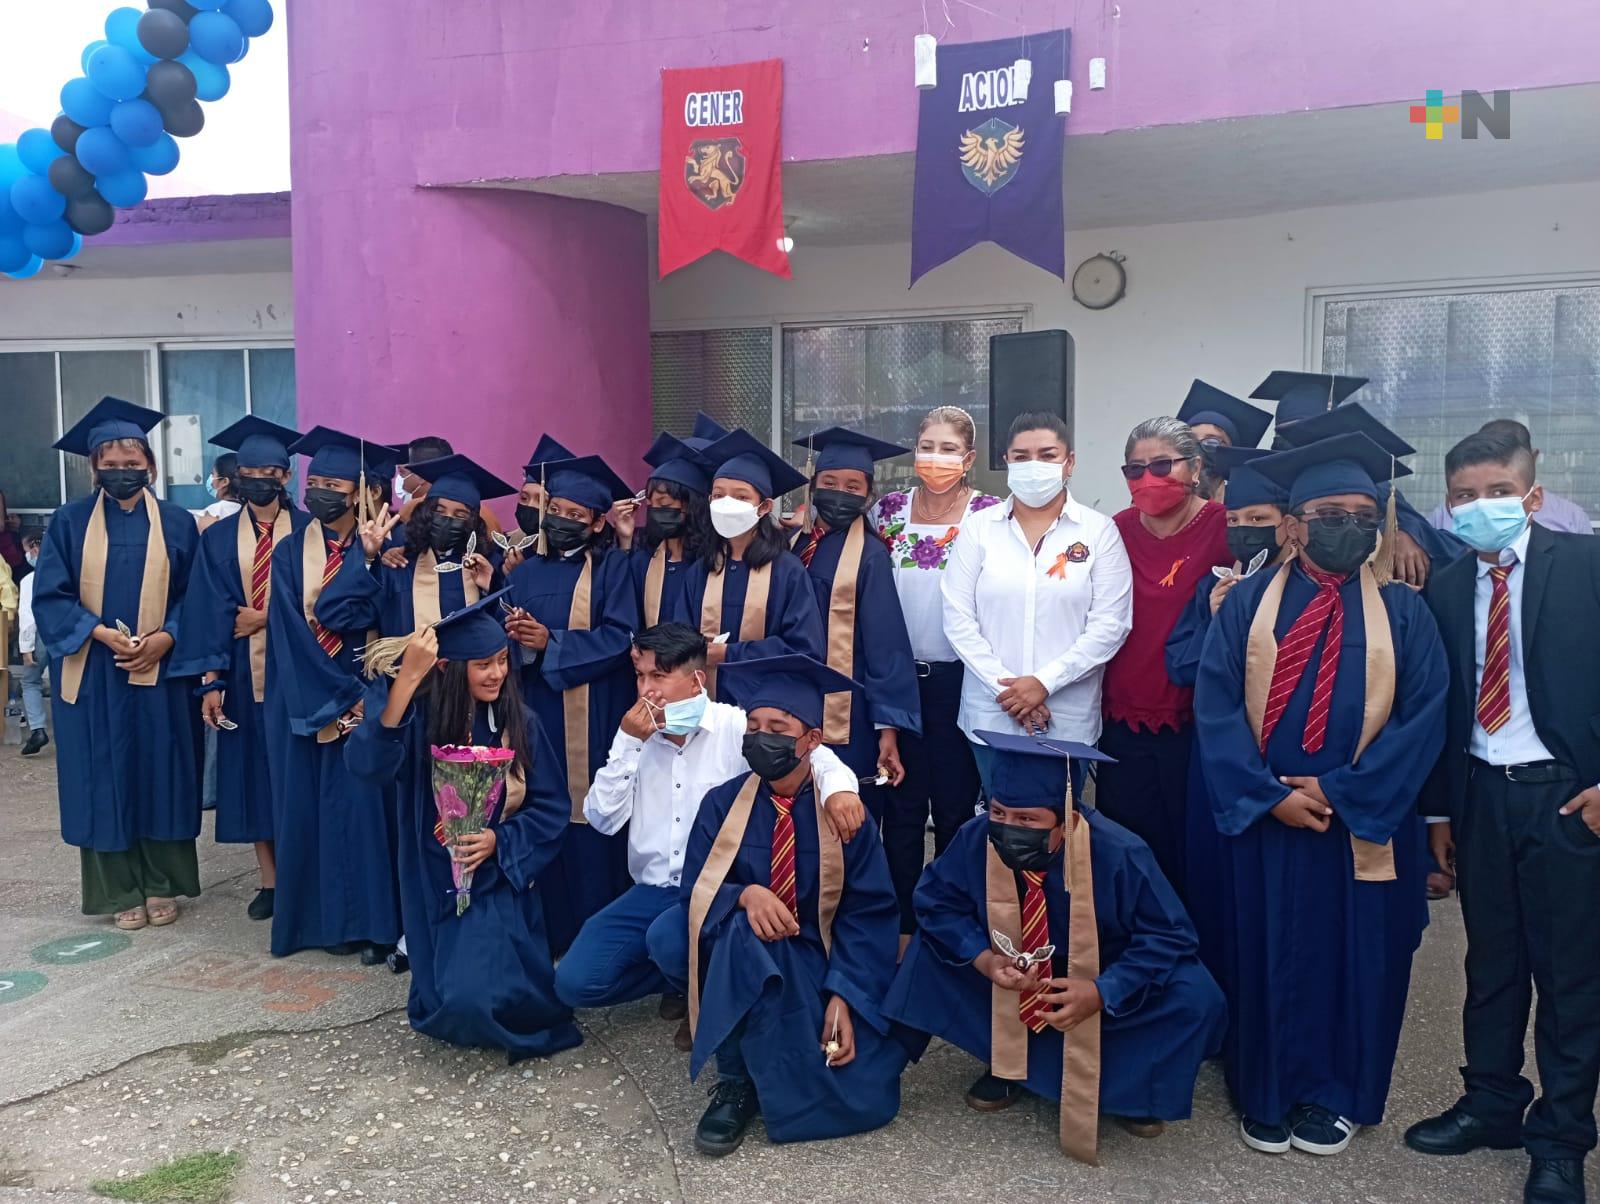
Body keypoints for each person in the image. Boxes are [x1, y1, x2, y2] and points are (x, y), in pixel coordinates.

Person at [1194, 429, 1448, 1157]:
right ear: (1296, 525)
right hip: (1268, 813)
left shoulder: (1404, 611)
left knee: (1360, 954)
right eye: (1332, 514)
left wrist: (1342, 790)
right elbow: (1215, 708)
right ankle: (1265, 1089)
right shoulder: (1247, 605)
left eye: (1364, 516)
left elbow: (1425, 717)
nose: (1351, 527)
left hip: (1361, 818)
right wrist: (1264, 795)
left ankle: (1340, 1092)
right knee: (1264, 948)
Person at [1406, 429, 1600, 1204]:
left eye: (1497, 492)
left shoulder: (1586, 566)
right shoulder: (1450, 587)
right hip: (1481, 796)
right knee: (1490, 966)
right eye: (1464, 496)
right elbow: (1445, 706)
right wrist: (1439, 814)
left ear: (1533, 496)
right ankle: (1491, 1104)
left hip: (1566, 799)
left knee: (1569, 976)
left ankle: (1562, 1138)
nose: (1479, 506)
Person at [884, 730, 1226, 1159]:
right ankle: (1007, 1064)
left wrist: (1103, 990)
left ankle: (1133, 1089)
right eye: (999, 812)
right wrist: (984, 959)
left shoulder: (1120, 852)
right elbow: (935, 902)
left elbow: (1170, 935)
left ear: (1067, 819)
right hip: (1012, 974)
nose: (1009, 828)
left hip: (1100, 977)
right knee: (926, 955)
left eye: (1027, 820)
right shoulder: (978, 837)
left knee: (1196, 996)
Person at [557, 622, 865, 1051]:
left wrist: (840, 790)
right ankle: (680, 979)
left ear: (697, 679)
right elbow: (602, 819)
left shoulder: (735, 726)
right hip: (652, 889)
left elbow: (820, 756)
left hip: (716, 890)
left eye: (659, 676)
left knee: (668, 938)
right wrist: (628, 744)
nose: (646, 690)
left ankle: (707, 996)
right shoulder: (636, 734)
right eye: (640, 676)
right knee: (576, 981)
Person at [646, 653, 907, 1156]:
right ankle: (735, 1081)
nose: (761, 737)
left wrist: (845, 996)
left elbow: (868, 914)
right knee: (727, 934)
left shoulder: (844, 816)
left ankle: (771, 1055)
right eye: (754, 726)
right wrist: (745, 894)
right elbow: (695, 889)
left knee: (862, 1091)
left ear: (812, 740)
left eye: (778, 728)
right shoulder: (722, 804)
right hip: (740, 947)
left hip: (818, 953)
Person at [346, 590, 583, 1062]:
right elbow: (368, 767)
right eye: (482, 665)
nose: (497, 673)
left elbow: (551, 807)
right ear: (451, 669)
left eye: (502, 661)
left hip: (497, 877)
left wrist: (499, 840)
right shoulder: (418, 720)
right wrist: (406, 681)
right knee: (448, 996)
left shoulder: (520, 722)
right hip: (431, 869)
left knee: (480, 1000)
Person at [32, 397, 202, 930]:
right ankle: (119, 889)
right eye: (111, 464)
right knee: (103, 776)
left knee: (161, 772)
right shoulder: (69, 522)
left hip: (160, 672)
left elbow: (196, 596)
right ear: (94, 467)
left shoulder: (177, 523)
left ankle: (161, 882)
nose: (122, 472)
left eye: (132, 463)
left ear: (150, 465)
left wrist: (168, 637)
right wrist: (98, 632)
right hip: (94, 673)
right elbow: (51, 595)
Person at [1160, 447, 1293, 1060]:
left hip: (1283, 766)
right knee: (1214, 888)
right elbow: (1180, 665)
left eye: (1259, 519)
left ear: (1289, 524)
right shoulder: (1216, 587)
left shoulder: (1312, 593)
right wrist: (1217, 618)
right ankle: (1216, 1020)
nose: (1244, 531)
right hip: (1216, 763)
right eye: (1235, 519)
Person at [263, 426, 402, 961]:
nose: (320, 493)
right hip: (308, 693)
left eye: (333, 485)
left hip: (374, 692)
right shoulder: (289, 552)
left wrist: (371, 695)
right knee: (310, 808)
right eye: (314, 483)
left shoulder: (392, 554)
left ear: (362, 492)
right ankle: (320, 925)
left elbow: (386, 624)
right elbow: (289, 633)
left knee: (368, 811)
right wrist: (342, 696)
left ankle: (375, 925)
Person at [943, 411, 1132, 794]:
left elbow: (1111, 625)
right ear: (1007, 462)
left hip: (1067, 717)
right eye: (1022, 456)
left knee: (1061, 821)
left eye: (1047, 455)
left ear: (1069, 462)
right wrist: (1010, 693)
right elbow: (957, 618)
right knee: (999, 819)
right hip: (992, 714)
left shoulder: (1099, 532)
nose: (1034, 465)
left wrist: (1045, 683)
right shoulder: (979, 528)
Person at [869, 404, 1002, 935]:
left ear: (968, 459)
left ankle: (950, 925)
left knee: (954, 809)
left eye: (948, 449)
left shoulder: (990, 514)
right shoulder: (887, 511)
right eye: (927, 446)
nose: (935, 457)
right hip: (898, 682)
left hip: (961, 683)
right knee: (901, 810)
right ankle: (901, 928)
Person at [172, 417, 307, 921]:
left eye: (269, 472)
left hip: (302, 676)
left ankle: (304, 874)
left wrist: (266, 617)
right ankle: (270, 880)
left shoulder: (312, 531)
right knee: (255, 776)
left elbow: (330, 604)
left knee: (300, 777)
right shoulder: (219, 538)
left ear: (286, 476)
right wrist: (210, 682)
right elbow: (207, 611)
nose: (259, 480)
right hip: (243, 676)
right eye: (249, 472)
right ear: (236, 478)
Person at [504, 452, 639, 956]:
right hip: (536, 712)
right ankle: (549, 930)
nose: (561, 520)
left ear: (598, 522)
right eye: (555, 510)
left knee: (589, 819)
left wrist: (551, 643)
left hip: (592, 714)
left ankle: (594, 936)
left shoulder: (612, 569)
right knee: (540, 809)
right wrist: (518, 641)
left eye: (575, 515)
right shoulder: (525, 572)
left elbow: (622, 637)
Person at [1093, 416, 1229, 899]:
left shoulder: (1225, 527)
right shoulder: (1115, 530)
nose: (1147, 478)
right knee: (1125, 846)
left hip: (1195, 721)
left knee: (1189, 848)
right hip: (1121, 715)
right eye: (1135, 469)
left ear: (1195, 468)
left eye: (1161, 465)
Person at [788, 426, 922, 814]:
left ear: (868, 495)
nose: (839, 493)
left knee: (843, 805)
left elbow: (886, 646)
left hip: (848, 710)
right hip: (792, 702)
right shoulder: (793, 545)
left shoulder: (870, 555)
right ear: (813, 486)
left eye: (852, 487)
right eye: (829, 483)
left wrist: (888, 730)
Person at [1253, 370, 1467, 585]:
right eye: (1282, 434)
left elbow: (1407, 519)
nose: (1291, 441)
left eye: (1302, 430)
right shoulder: (1263, 481)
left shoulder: (1364, 482)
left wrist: (1403, 533)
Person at [672, 428, 824, 694]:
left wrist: (730, 653)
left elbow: (804, 648)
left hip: (765, 704)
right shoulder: (701, 570)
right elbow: (679, 638)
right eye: (718, 495)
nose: (727, 504)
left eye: (741, 497)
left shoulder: (787, 571)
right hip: (705, 703)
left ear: (764, 507)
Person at [339, 454, 510, 638]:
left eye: (460, 515)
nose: (447, 520)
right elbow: (341, 616)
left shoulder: (487, 565)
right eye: (439, 510)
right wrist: (366, 559)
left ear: (473, 521)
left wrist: (491, 587)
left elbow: (504, 631)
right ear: (427, 513)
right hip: (407, 657)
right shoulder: (399, 565)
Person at [1428, 418, 1593, 536]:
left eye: (1501, 492)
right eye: (1466, 494)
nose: (1483, 505)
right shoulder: (1445, 514)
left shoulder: (1571, 517)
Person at [631, 432, 717, 627]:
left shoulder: (712, 561)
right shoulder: (643, 561)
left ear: (690, 505)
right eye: (650, 505)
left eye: (664, 504)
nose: (655, 511)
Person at [1176, 379, 1273, 501]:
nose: (1197, 449)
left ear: (1230, 453)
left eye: (1211, 442)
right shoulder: (1164, 501)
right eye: (1189, 441)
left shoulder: (1243, 505)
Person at [397, 435, 504, 535]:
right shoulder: (487, 515)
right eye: (439, 511)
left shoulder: (413, 508)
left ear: (420, 474)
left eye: (460, 516)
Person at [17, 533, 48, 757]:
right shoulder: (67, 573)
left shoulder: (30, 580)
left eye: (26, 551)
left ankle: (38, 730)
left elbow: (28, 616)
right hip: (66, 634)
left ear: (34, 550)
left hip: (41, 636)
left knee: (29, 682)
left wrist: (26, 648)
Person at [194, 452, 242, 531]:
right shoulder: (252, 511)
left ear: (224, 482)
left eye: (213, 474)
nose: (211, 480)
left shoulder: (213, 514)